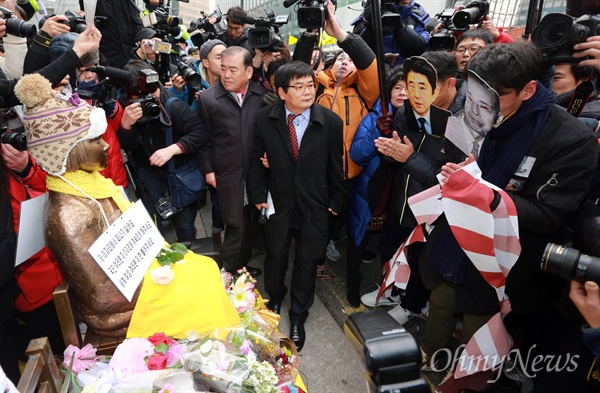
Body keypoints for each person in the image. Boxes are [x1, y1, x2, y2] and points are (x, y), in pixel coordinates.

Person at [418, 42, 598, 391]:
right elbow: (455, 157)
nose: (477, 108)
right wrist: (456, 172)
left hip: (500, 267)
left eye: (493, 98)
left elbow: (548, 217)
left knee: (482, 343)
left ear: (529, 89)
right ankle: (431, 355)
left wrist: (488, 195)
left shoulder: (571, 141)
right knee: (439, 301)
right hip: (450, 243)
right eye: (473, 95)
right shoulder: (472, 114)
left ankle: (474, 382)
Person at [247, 61, 345, 351]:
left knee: (307, 260)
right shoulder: (265, 119)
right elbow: (255, 159)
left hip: (315, 204)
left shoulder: (330, 122)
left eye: (310, 85)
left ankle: (299, 315)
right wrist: (256, 193)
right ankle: (275, 297)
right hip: (280, 199)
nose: (306, 92)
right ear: (281, 92)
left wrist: (337, 201)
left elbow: (335, 166)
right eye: (298, 87)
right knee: (275, 253)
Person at [361, 57, 450, 324]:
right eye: (410, 85)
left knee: (421, 261)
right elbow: (394, 158)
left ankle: (411, 305)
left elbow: (447, 178)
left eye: (422, 86)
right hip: (400, 202)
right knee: (389, 247)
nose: (413, 94)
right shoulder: (405, 112)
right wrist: (390, 147)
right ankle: (391, 289)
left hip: (431, 213)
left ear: (445, 87)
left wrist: (408, 158)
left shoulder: (458, 124)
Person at [117, 59, 208, 242]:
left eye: (151, 92)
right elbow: (129, 145)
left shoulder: (172, 105)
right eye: (139, 96)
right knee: (152, 223)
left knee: (184, 225)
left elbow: (201, 132)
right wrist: (126, 126)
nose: (148, 99)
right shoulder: (127, 107)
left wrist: (173, 149)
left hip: (179, 173)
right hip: (148, 176)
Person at [196, 46, 267, 277]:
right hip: (227, 174)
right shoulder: (208, 99)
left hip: (257, 173)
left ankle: (241, 268)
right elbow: (203, 139)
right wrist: (208, 170)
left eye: (233, 70)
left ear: (248, 72)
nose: (226, 75)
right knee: (235, 226)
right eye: (223, 68)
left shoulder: (261, 97)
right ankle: (228, 275)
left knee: (251, 224)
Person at [345, 67, 408, 307]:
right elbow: (358, 154)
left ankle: (390, 287)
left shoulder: (422, 121)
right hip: (372, 190)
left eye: (408, 88)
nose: (402, 93)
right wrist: (376, 132)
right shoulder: (376, 116)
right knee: (358, 239)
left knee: (393, 243)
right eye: (397, 88)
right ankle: (353, 281)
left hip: (401, 192)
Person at [359, 0, 431, 67]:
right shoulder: (370, 13)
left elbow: (421, 49)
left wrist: (400, 28)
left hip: (408, 76)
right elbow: (357, 51)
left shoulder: (419, 16)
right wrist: (370, 25)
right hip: (375, 75)